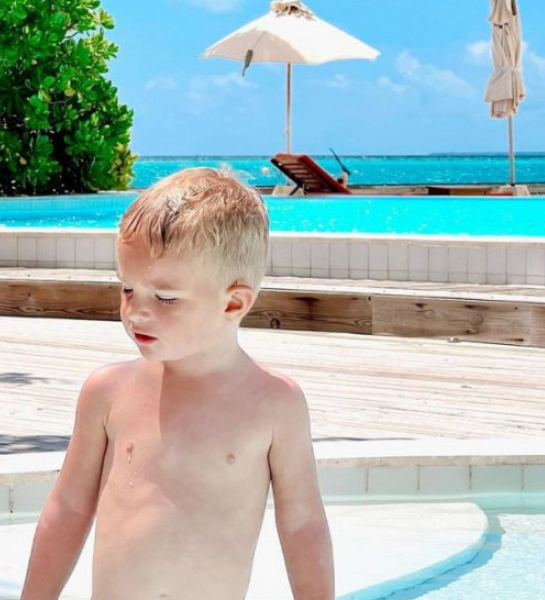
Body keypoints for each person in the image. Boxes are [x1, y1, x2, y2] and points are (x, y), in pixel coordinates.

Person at [20, 167, 334, 600]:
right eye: (128, 289)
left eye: (165, 298)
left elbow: (302, 526)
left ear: (233, 303)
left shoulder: (273, 405)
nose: (136, 311)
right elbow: (68, 508)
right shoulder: (108, 392)